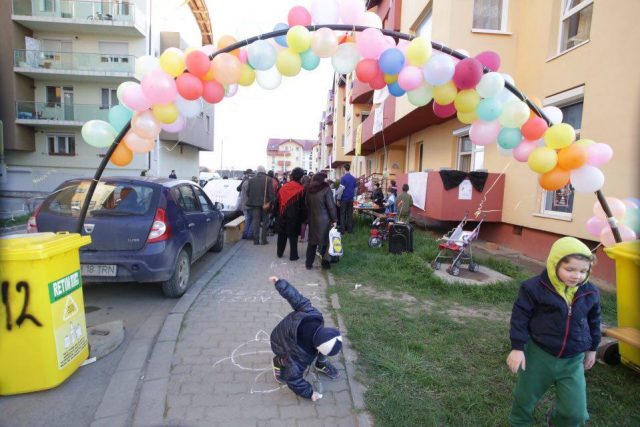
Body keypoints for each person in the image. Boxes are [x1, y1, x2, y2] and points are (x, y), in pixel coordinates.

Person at [507, 237, 601, 427]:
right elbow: (520, 316)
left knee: (576, 414)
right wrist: (518, 347)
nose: (577, 276)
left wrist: (593, 348)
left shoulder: (590, 292)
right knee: (524, 399)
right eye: (570, 269)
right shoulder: (533, 288)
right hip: (538, 355)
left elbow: (594, 321)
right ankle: (519, 423)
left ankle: (557, 421)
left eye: (583, 271)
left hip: (573, 360)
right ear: (554, 264)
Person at [269, 276, 342, 401]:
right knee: (287, 361)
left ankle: (321, 363)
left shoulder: (314, 315)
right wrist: (309, 393)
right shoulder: (300, 357)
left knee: (325, 347)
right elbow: (293, 379)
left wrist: (281, 284)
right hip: (279, 342)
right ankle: (278, 362)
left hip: (289, 333)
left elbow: (296, 298)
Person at [304, 172, 337, 270]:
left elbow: (306, 204)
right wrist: (334, 219)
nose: (326, 180)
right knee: (325, 242)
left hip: (313, 219)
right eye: (325, 179)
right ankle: (325, 263)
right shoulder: (326, 189)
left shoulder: (309, 190)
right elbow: (331, 206)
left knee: (312, 242)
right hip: (325, 220)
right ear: (322, 180)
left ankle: (308, 264)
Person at [273, 167, 306, 261]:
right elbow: (303, 206)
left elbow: (277, 201)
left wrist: (275, 214)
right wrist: (303, 217)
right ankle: (293, 255)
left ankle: (279, 253)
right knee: (293, 237)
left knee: (281, 235)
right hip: (294, 217)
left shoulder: (283, 187)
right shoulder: (301, 190)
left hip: (282, 214)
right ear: (301, 177)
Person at [246, 166, 274, 245]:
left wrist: (254, 199)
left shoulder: (251, 180)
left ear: (257, 171)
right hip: (265, 204)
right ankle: (263, 240)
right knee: (265, 222)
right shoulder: (268, 179)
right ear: (264, 171)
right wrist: (271, 202)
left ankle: (256, 240)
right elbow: (271, 193)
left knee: (256, 222)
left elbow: (248, 192)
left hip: (254, 204)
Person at [339, 164, 357, 233]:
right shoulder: (353, 178)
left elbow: (341, 190)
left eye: (342, 169)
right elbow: (355, 189)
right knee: (350, 214)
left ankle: (342, 230)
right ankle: (350, 230)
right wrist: (354, 197)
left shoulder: (343, 178)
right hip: (351, 198)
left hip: (344, 198)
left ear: (344, 169)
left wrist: (338, 199)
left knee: (342, 214)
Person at [236, 169, 254, 240]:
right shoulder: (247, 182)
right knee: (250, 219)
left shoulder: (244, 181)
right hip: (248, 204)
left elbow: (238, 189)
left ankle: (246, 234)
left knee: (248, 219)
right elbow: (249, 193)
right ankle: (247, 234)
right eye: (251, 174)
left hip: (244, 203)